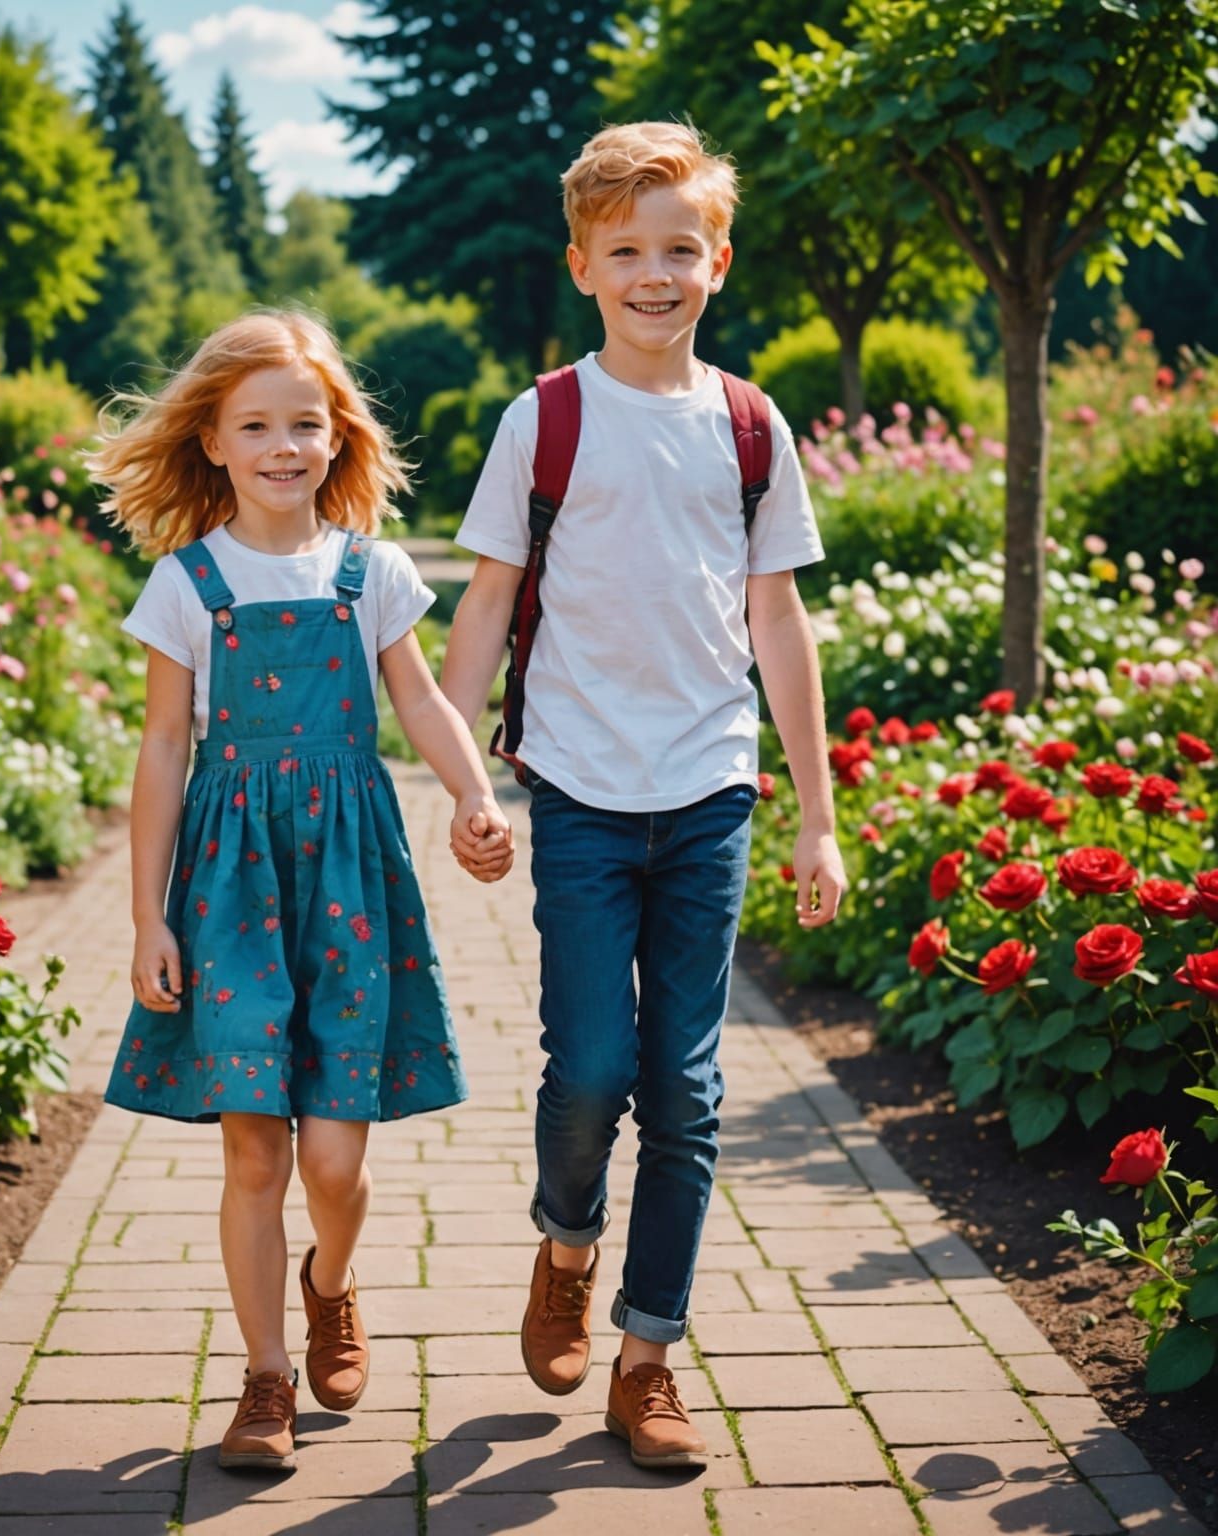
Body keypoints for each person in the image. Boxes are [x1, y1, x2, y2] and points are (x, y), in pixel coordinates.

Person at [440, 121, 847, 1469]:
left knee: (685, 1088)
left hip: (711, 789)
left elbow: (778, 620)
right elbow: (487, 600)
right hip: (578, 790)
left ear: (718, 262)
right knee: (593, 1072)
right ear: (583, 267)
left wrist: (819, 817)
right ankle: (566, 1244)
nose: (654, 275)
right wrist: (462, 782)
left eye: (680, 249)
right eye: (626, 252)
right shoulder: (545, 419)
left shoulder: (749, 425)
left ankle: (648, 1357)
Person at [90, 309, 514, 1474]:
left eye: (305, 424)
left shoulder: (370, 572)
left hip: (349, 883)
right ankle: (266, 1377)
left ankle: (332, 1280)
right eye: (256, 426)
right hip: (228, 890)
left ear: (338, 438)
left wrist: (474, 794)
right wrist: (147, 915)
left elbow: (420, 701)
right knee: (254, 1157)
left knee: (333, 1161)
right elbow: (163, 748)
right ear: (212, 442)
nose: (284, 446)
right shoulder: (186, 584)